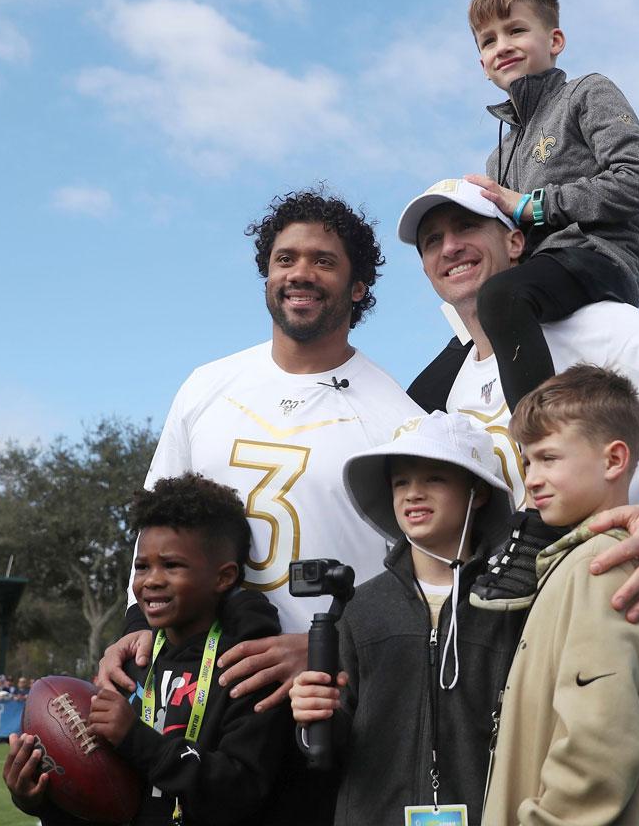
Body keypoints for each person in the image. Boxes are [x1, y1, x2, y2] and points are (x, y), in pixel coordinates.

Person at [398, 178, 639, 823]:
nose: (450, 248)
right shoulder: (450, 389)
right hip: (502, 652)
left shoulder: (608, 329)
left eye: (468, 231)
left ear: (516, 241)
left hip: (624, 630)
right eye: (433, 241)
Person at [96, 189, 420, 823]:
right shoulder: (207, 386)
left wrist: (330, 648)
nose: (300, 273)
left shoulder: (398, 417)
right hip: (202, 698)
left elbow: (421, 570)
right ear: (267, 275)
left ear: (358, 287)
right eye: (284, 259)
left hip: (325, 699)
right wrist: (134, 632)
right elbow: (155, 533)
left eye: (323, 262)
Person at [411, 0, 639, 423]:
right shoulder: (499, 156)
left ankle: (542, 446)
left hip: (598, 257)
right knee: (424, 393)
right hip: (531, 281)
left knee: (501, 297)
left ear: (555, 39)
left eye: (517, 30)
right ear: (482, 64)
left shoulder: (588, 93)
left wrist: (533, 206)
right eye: (489, 40)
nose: (502, 45)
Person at [4, 472, 288, 826]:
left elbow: (242, 790)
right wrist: (36, 796)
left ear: (223, 577)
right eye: (141, 566)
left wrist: (135, 738)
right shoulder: (128, 665)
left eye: (171, 565)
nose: (151, 580)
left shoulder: (249, 668)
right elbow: (110, 793)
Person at [484, 365, 639, 825]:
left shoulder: (599, 561)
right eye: (527, 463)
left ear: (613, 460)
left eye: (548, 458)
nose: (532, 479)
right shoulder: (585, 557)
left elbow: (601, 735)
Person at [289, 411, 520, 824]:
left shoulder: (510, 605)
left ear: (478, 493)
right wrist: (313, 717)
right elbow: (334, 747)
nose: (413, 494)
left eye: (434, 478)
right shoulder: (358, 608)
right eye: (400, 482)